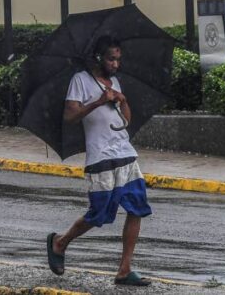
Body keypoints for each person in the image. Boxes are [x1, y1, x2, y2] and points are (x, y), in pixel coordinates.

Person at [46, 35, 152, 287]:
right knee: (99, 215)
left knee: (137, 208)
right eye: (111, 59)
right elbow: (70, 116)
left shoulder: (114, 82)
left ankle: (124, 270)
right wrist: (98, 102)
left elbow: (126, 120)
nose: (116, 64)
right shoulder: (80, 81)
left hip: (125, 153)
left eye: (118, 59)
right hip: (101, 157)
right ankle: (60, 242)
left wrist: (122, 100)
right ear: (98, 58)